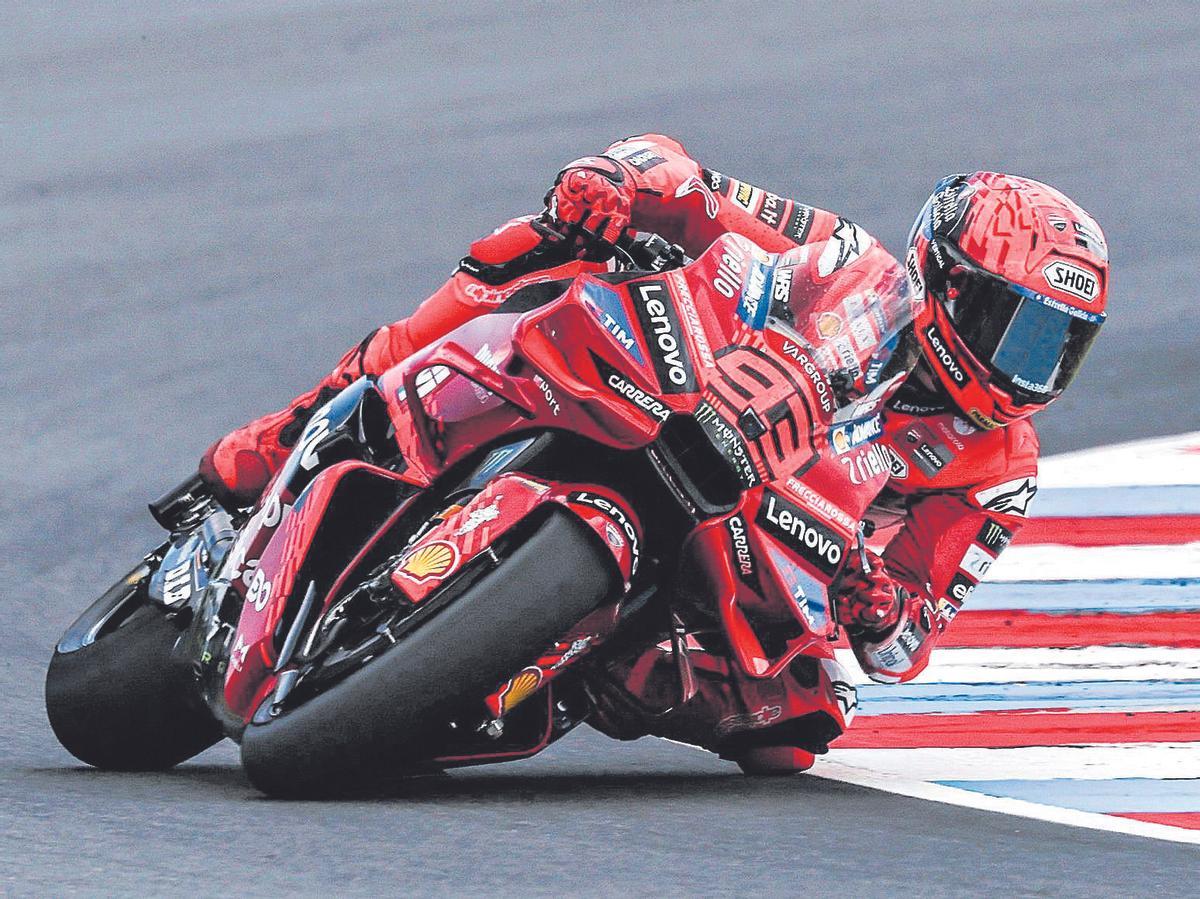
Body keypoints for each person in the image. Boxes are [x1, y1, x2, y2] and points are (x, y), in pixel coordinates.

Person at [197, 134, 1109, 772]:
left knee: (793, 730)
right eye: (1015, 328)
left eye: (1057, 345)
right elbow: (695, 187)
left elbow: (911, 638)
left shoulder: (999, 466)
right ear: (946, 276)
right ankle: (303, 418)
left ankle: (526, 670)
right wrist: (614, 181)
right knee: (550, 250)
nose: (1027, 365)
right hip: (674, 388)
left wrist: (878, 602)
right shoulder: (842, 256)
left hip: (767, 546)